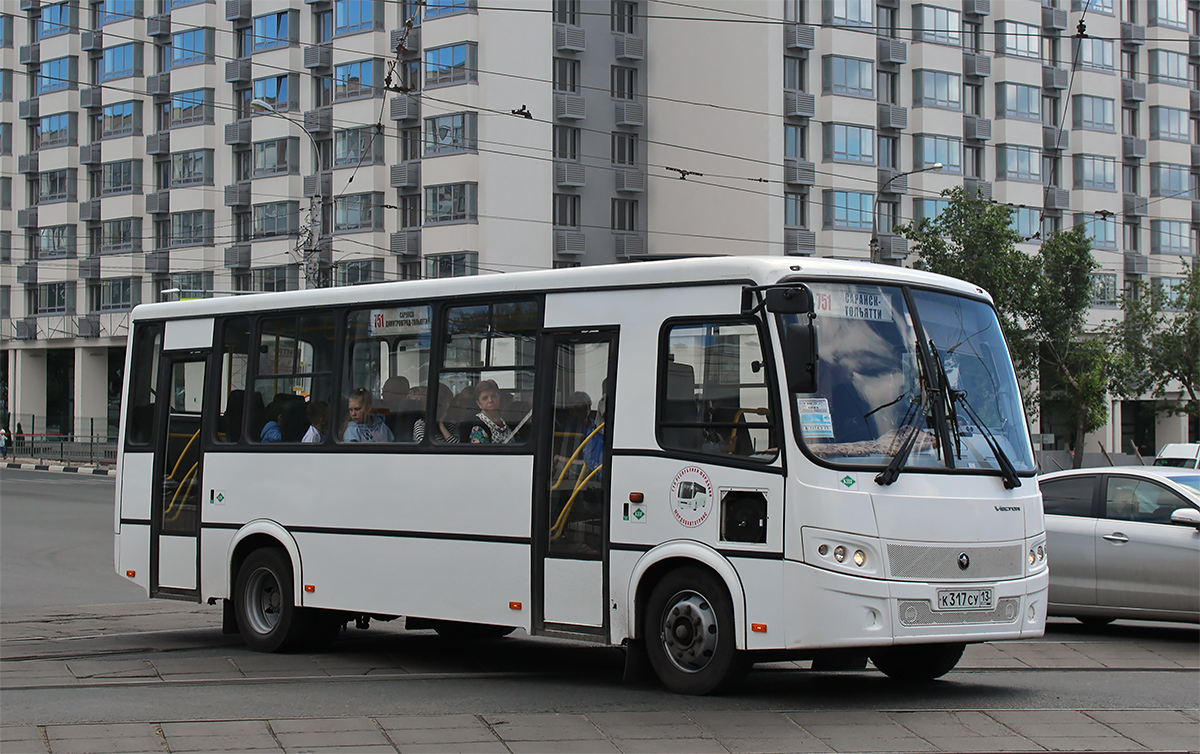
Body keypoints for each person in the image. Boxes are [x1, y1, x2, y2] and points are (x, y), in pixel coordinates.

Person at [467, 380, 517, 444]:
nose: (490, 400)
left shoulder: (506, 420)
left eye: (493, 396)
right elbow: (480, 452)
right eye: (485, 398)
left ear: (499, 398)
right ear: (478, 403)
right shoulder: (478, 426)